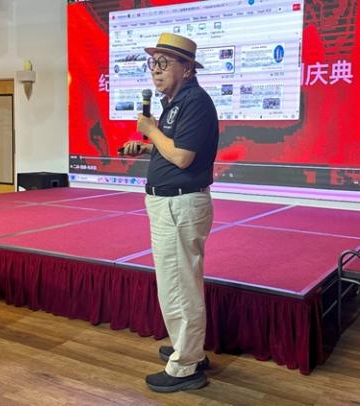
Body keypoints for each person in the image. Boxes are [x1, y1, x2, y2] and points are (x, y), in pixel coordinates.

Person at [120, 32, 219, 393]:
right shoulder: (175, 102)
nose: (155, 70)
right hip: (171, 204)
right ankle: (187, 348)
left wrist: (150, 130)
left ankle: (186, 366)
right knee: (178, 283)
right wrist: (148, 147)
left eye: (164, 62)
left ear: (187, 68)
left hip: (179, 204)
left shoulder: (195, 101)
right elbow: (172, 147)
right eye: (153, 62)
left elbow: (182, 156)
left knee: (179, 286)